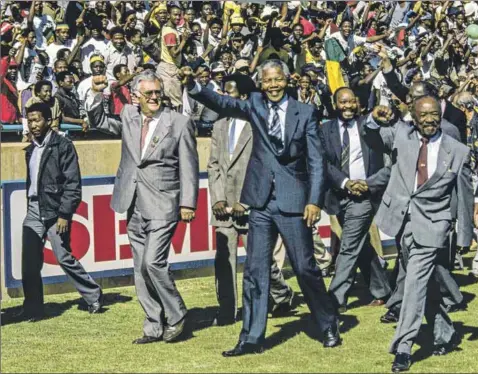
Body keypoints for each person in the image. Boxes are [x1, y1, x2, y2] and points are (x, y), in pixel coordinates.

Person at [186, 59, 341, 356]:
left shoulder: (305, 111)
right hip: (258, 201)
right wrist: (193, 85)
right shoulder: (254, 103)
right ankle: (251, 338)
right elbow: (221, 101)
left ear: (286, 80)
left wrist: (313, 200)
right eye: (267, 80)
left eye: (277, 79)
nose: (273, 85)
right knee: (255, 271)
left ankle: (328, 323)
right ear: (261, 83)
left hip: (294, 200)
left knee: (305, 268)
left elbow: (316, 162)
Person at [86, 70, 199, 344]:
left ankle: (176, 314)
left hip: (164, 202)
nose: (154, 98)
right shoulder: (128, 116)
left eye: (157, 92)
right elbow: (99, 120)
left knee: (153, 262)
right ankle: (153, 325)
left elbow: (189, 166)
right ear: (136, 96)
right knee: (140, 268)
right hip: (132, 201)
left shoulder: (180, 123)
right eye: (148, 93)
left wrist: (187, 203)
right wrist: (96, 93)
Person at [368, 96, 473, 372]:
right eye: (423, 115)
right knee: (425, 284)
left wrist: (464, 236)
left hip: (434, 226)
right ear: (413, 118)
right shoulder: (402, 135)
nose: (429, 120)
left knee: (413, 282)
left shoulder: (458, 150)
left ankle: (403, 345)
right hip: (402, 221)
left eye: (434, 114)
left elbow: (464, 194)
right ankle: (445, 332)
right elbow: (373, 133)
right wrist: (374, 117)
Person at [207, 73, 294, 326]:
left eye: (229, 93)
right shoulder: (219, 125)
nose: (223, 97)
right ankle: (226, 311)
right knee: (224, 258)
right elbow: (214, 166)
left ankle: (280, 294)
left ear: (244, 97)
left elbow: (265, 167)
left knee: (260, 259)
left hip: (251, 204)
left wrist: (246, 202)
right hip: (224, 207)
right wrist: (218, 200)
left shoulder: (261, 123)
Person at [19, 102, 102, 322]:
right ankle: (33, 309)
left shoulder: (63, 145)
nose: (33, 125)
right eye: (30, 121)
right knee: (29, 263)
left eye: (37, 120)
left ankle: (93, 295)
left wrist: (65, 214)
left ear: (48, 120)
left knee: (64, 257)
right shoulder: (31, 149)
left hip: (56, 211)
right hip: (35, 210)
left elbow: (73, 183)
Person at [319, 87, 391, 312]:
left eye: (352, 102)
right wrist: (345, 182)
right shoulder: (324, 130)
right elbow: (324, 163)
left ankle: (335, 298)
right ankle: (382, 290)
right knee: (360, 244)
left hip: (364, 196)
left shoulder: (369, 125)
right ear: (334, 104)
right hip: (338, 194)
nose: (348, 106)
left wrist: (365, 185)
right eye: (343, 102)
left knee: (349, 246)